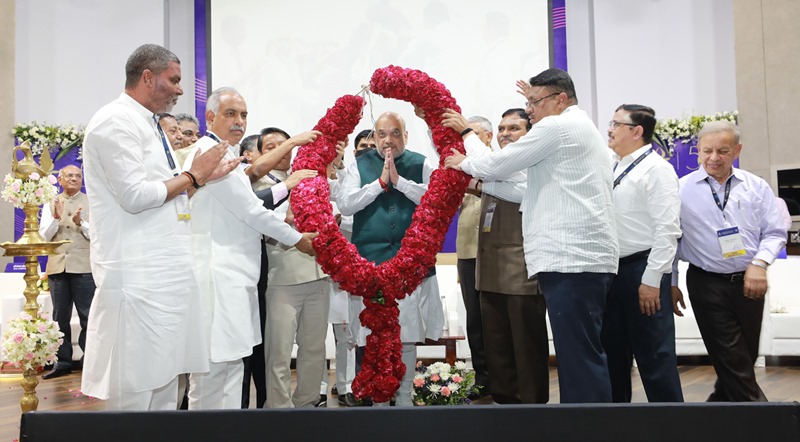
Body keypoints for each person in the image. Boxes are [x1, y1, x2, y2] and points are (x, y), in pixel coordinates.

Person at [443, 68, 618, 403]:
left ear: (561, 99)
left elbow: (493, 167)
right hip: (580, 261)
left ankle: (590, 427)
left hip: (571, 261)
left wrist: (466, 136)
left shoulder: (558, 126)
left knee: (579, 356)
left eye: (535, 102)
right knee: (579, 354)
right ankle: (583, 422)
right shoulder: (578, 126)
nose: (530, 110)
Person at [81, 43, 238, 410]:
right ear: (147, 77)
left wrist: (198, 180)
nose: (182, 90)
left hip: (164, 272)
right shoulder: (115, 121)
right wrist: (192, 175)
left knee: (167, 382)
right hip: (136, 273)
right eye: (174, 80)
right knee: (135, 386)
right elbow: (134, 197)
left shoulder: (147, 122)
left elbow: (165, 192)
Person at [184, 87, 318, 410]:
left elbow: (249, 207)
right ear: (210, 117)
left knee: (233, 367)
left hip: (236, 276)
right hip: (220, 276)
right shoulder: (209, 151)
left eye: (244, 115)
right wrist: (297, 238)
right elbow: (251, 211)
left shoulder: (226, 152)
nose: (239, 122)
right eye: (231, 114)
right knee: (212, 372)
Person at [672, 120, 787, 402]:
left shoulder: (756, 187)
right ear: (697, 151)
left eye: (722, 151)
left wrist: (759, 264)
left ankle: (717, 410)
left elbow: (774, 232)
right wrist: (671, 281)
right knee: (732, 358)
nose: (714, 158)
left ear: (737, 150)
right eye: (707, 151)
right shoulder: (680, 189)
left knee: (742, 357)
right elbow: (670, 240)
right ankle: (766, 422)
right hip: (706, 283)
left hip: (750, 283)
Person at [337, 111, 444, 406]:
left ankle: (406, 397)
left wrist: (400, 182)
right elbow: (346, 204)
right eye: (382, 134)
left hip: (410, 268)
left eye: (395, 133)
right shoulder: (358, 165)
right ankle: (379, 402)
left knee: (407, 335)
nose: (388, 140)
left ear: (405, 136)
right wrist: (380, 184)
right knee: (372, 336)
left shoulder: (422, 163)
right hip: (370, 266)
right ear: (374, 137)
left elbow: (435, 199)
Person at [601, 104, 683, 403]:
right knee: (612, 353)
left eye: (616, 123)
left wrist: (651, 280)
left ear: (637, 131)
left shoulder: (657, 170)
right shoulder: (610, 163)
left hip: (643, 271)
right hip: (610, 270)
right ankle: (617, 424)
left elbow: (668, 230)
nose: (609, 128)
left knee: (654, 356)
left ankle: (670, 426)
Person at [38, 165, 95, 380]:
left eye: (78, 176)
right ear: (59, 180)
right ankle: (62, 362)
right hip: (57, 265)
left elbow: (97, 236)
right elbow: (45, 236)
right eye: (69, 176)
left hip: (84, 266)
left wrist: (82, 224)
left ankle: (89, 360)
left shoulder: (92, 201)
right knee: (59, 317)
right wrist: (55, 217)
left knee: (88, 316)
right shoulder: (50, 202)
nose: (74, 179)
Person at [454, 116, 492, 399]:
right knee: (475, 321)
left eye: (474, 135)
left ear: (487, 137)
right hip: (468, 254)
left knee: (497, 319)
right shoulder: (462, 169)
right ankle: (482, 376)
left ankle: (502, 376)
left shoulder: (499, 164)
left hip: (497, 256)